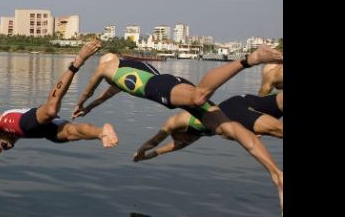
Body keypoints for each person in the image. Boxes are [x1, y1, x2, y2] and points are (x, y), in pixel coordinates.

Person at [71, 44, 284, 211]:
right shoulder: (122, 74)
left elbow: (90, 88)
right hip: (169, 82)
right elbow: (104, 95)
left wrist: (81, 103)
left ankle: (251, 59)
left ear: (107, 59)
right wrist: (89, 108)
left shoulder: (105, 66)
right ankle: (276, 174)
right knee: (229, 129)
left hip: (159, 87)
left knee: (199, 95)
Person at [0, 39, 118, 157]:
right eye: (10, 147)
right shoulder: (7, 138)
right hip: (45, 132)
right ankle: (102, 133)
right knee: (73, 132)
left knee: (50, 109)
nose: (10, 145)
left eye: (6, 145)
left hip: (24, 122)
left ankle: (77, 61)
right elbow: (2, 141)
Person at [132, 91, 283, 162]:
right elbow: (160, 151)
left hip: (232, 110)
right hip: (240, 105)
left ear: (177, 135)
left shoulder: (178, 121)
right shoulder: (189, 138)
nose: (183, 143)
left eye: (181, 142)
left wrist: (140, 151)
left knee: (278, 130)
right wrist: (143, 158)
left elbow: (155, 140)